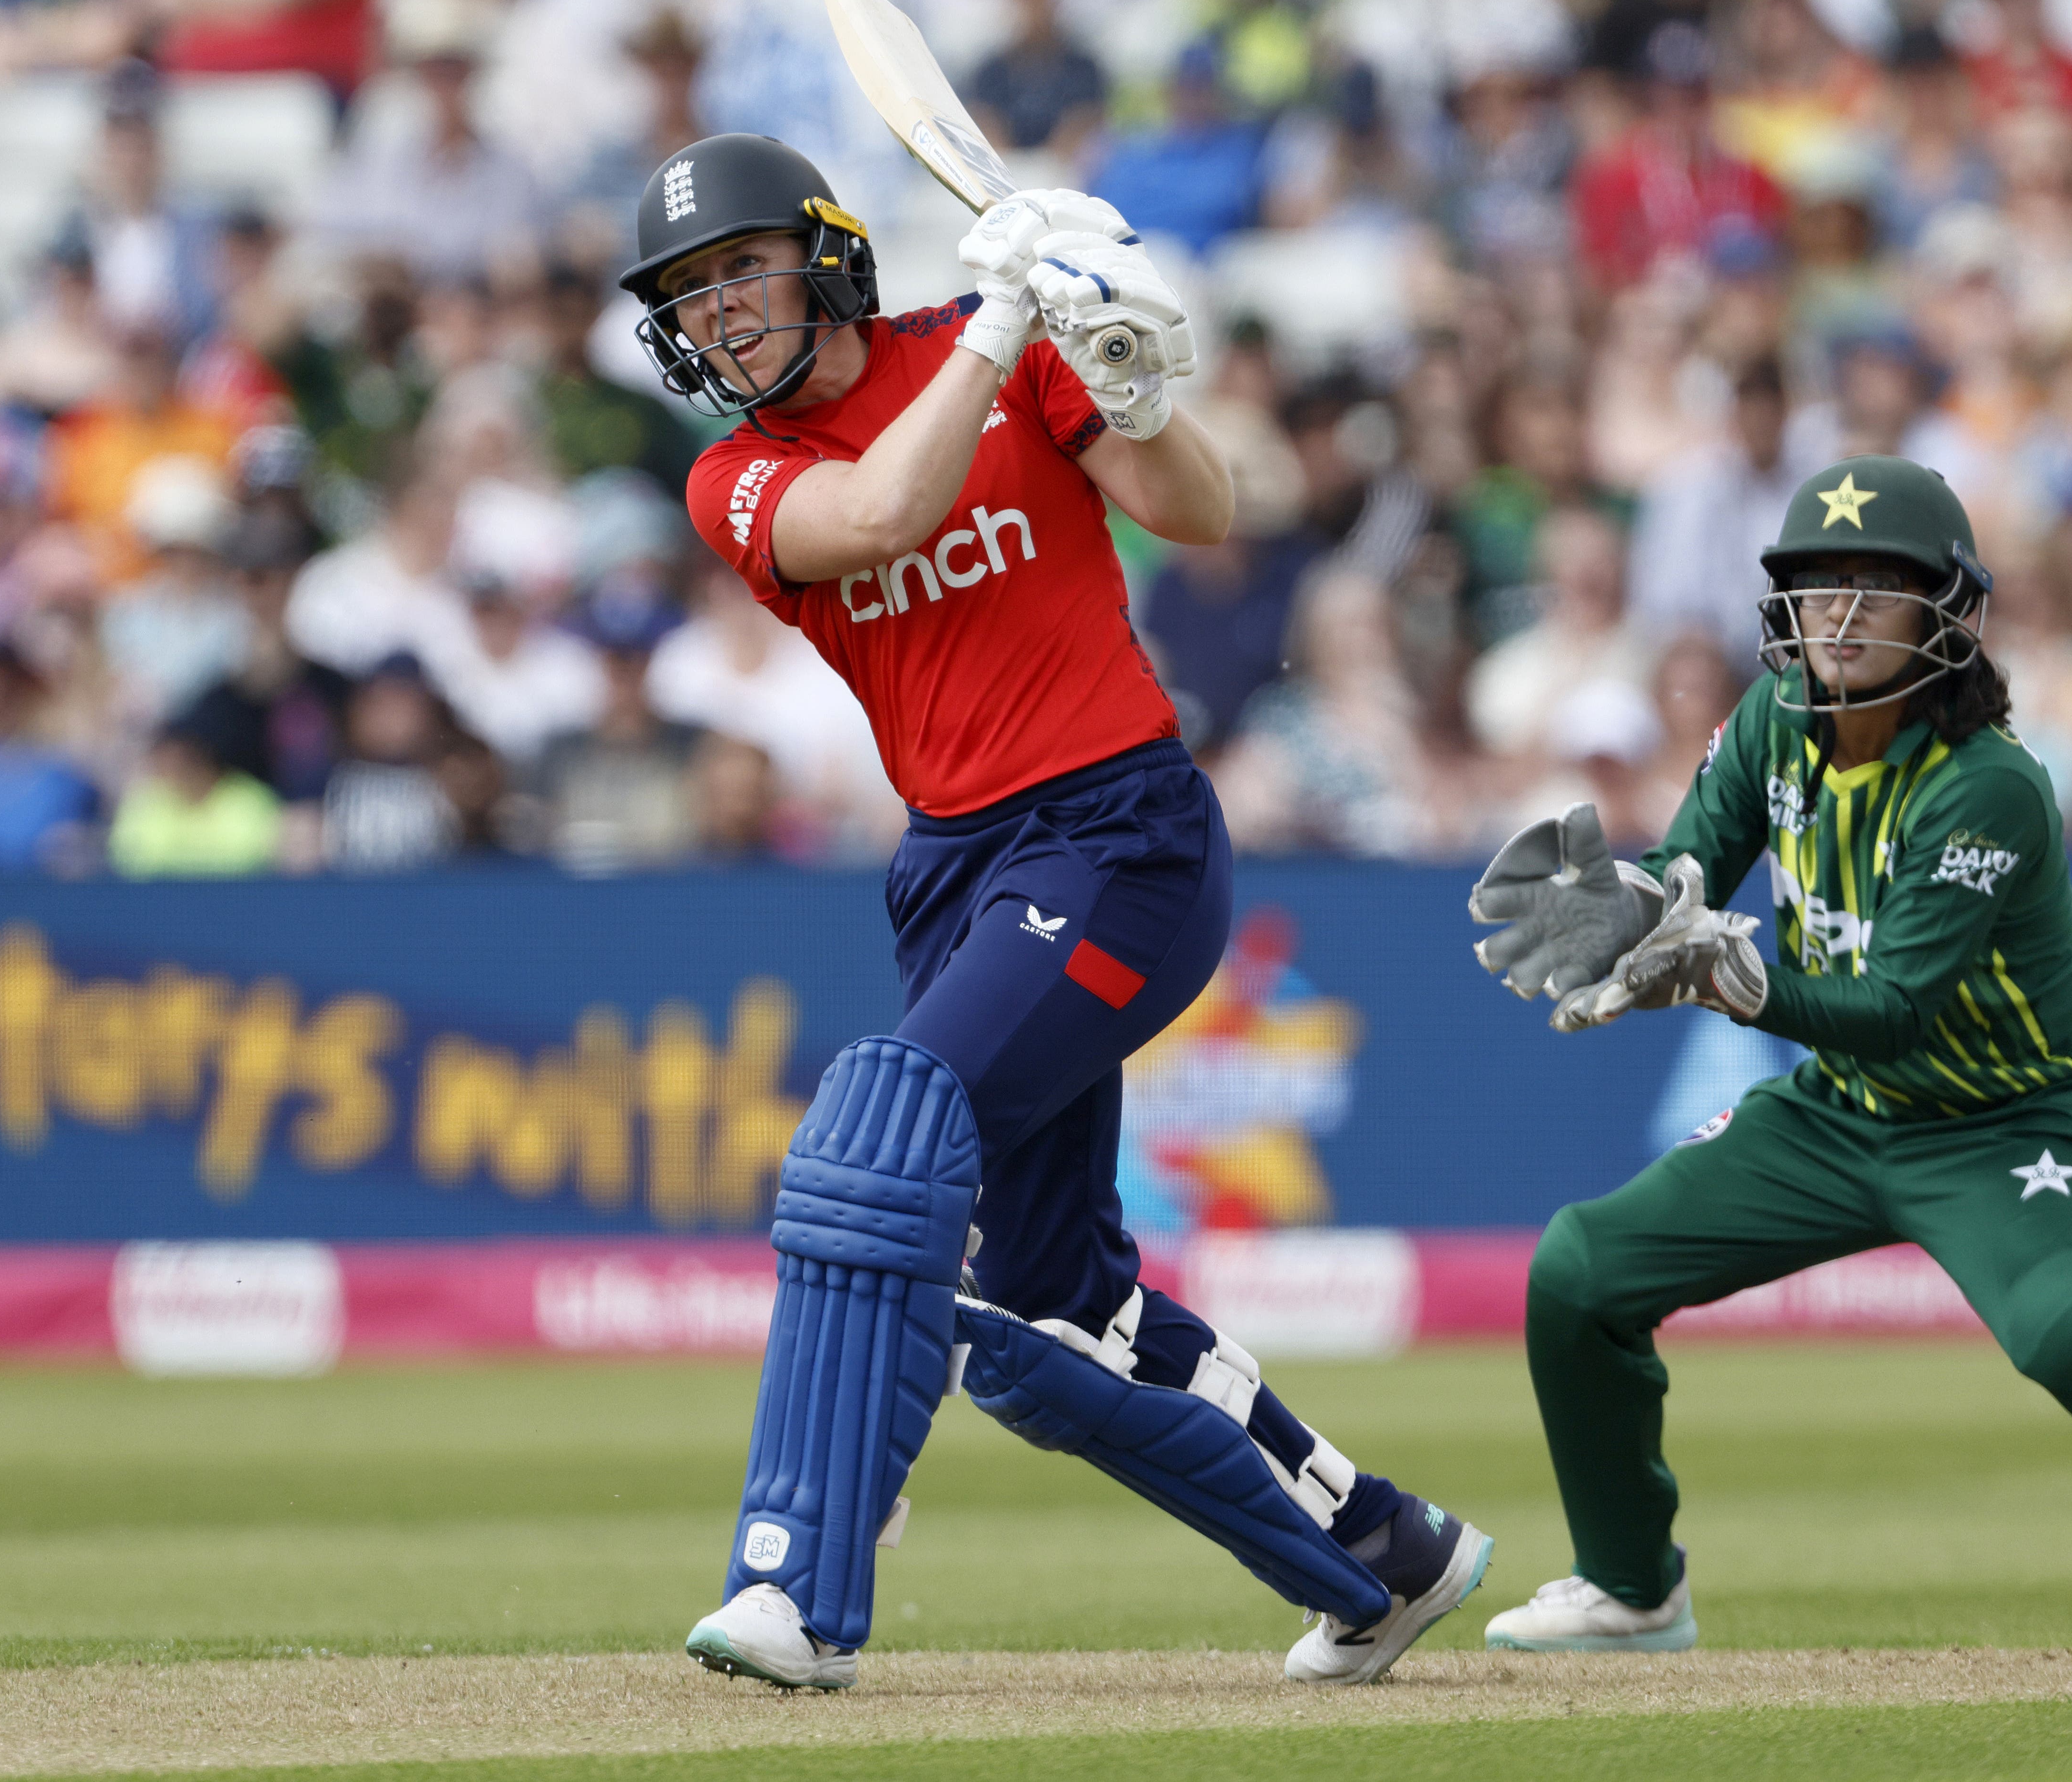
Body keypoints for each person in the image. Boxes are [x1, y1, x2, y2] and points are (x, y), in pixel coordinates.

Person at [622, 133, 1490, 1692]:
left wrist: (1128, 374)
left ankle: (799, 1586)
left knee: (879, 1131)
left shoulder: (988, 351)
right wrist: (1012, 322)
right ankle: (1376, 1549)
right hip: (959, 869)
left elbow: (1204, 509)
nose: (715, 314)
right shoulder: (734, 475)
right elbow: (881, 516)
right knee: (1046, 1311)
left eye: (735, 268)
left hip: (1118, 833)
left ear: (821, 254)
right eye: (685, 295)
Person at [1463, 455, 2072, 1655]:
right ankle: (1630, 1586)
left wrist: (1731, 979)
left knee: (2062, 1330)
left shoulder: (1992, 788)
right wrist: (1636, 904)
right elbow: (1693, 862)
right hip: (1841, 1111)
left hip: (2010, 1116)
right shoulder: (1771, 719)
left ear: (1949, 614)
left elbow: (1898, 1008)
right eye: (1818, 583)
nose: (1842, 611)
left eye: (1879, 583)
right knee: (1579, 1269)